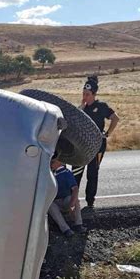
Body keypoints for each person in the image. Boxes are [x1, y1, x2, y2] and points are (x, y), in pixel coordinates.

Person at [72, 76, 119, 209]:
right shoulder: (81, 109)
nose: (85, 96)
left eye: (87, 94)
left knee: (92, 173)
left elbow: (115, 118)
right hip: (81, 146)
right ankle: (72, 200)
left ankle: (90, 201)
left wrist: (107, 134)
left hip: (98, 146)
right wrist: (81, 106)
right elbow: (73, 121)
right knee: (76, 172)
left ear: (94, 94)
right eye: (83, 94)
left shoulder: (101, 106)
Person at [49, 157, 86, 237]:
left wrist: (72, 203)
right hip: (55, 201)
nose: (51, 164)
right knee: (50, 205)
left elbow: (75, 189)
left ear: (60, 162)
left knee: (74, 199)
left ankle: (78, 224)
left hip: (66, 200)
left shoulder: (66, 173)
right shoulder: (49, 174)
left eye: (53, 162)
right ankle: (65, 229)